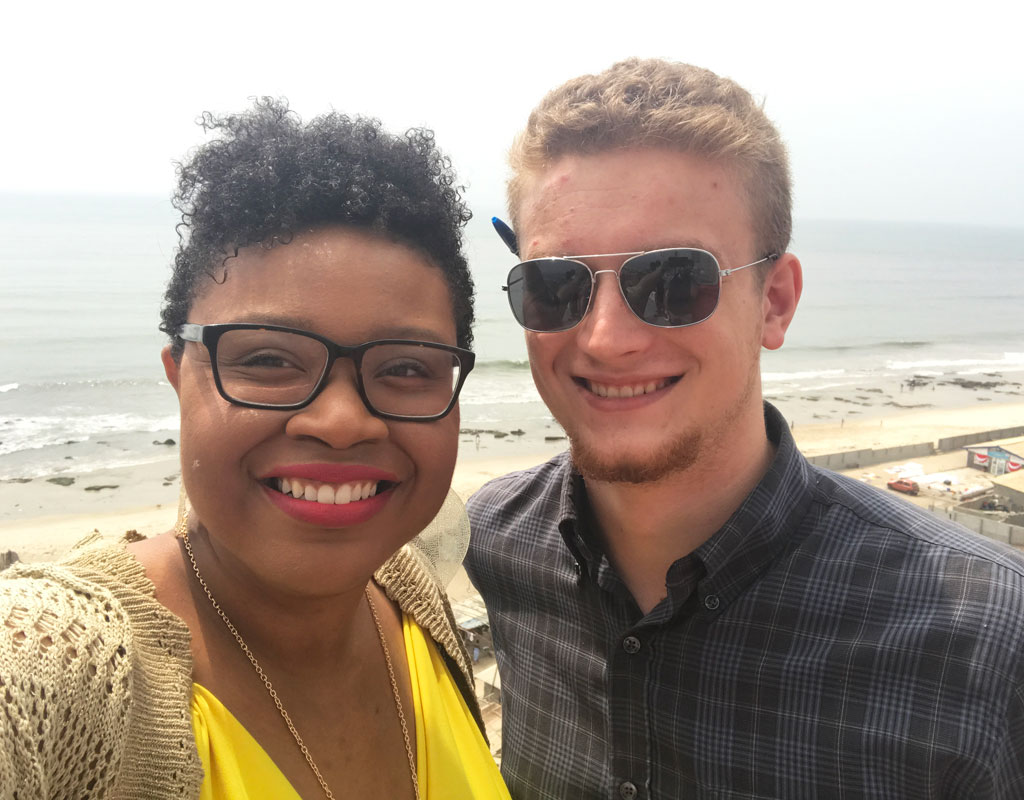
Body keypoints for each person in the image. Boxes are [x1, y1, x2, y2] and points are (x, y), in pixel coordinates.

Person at [466, 59, 1024, 799]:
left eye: (671, 281)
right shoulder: (495, 546)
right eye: (554, 285)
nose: (604, 339)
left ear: (776, 302)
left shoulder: (983, 634)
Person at [0, 99, 510, 800]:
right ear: (180, 375)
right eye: (269, 359)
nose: (340, 421)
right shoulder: (55, 661)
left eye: (404, 367)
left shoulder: (412, 597)